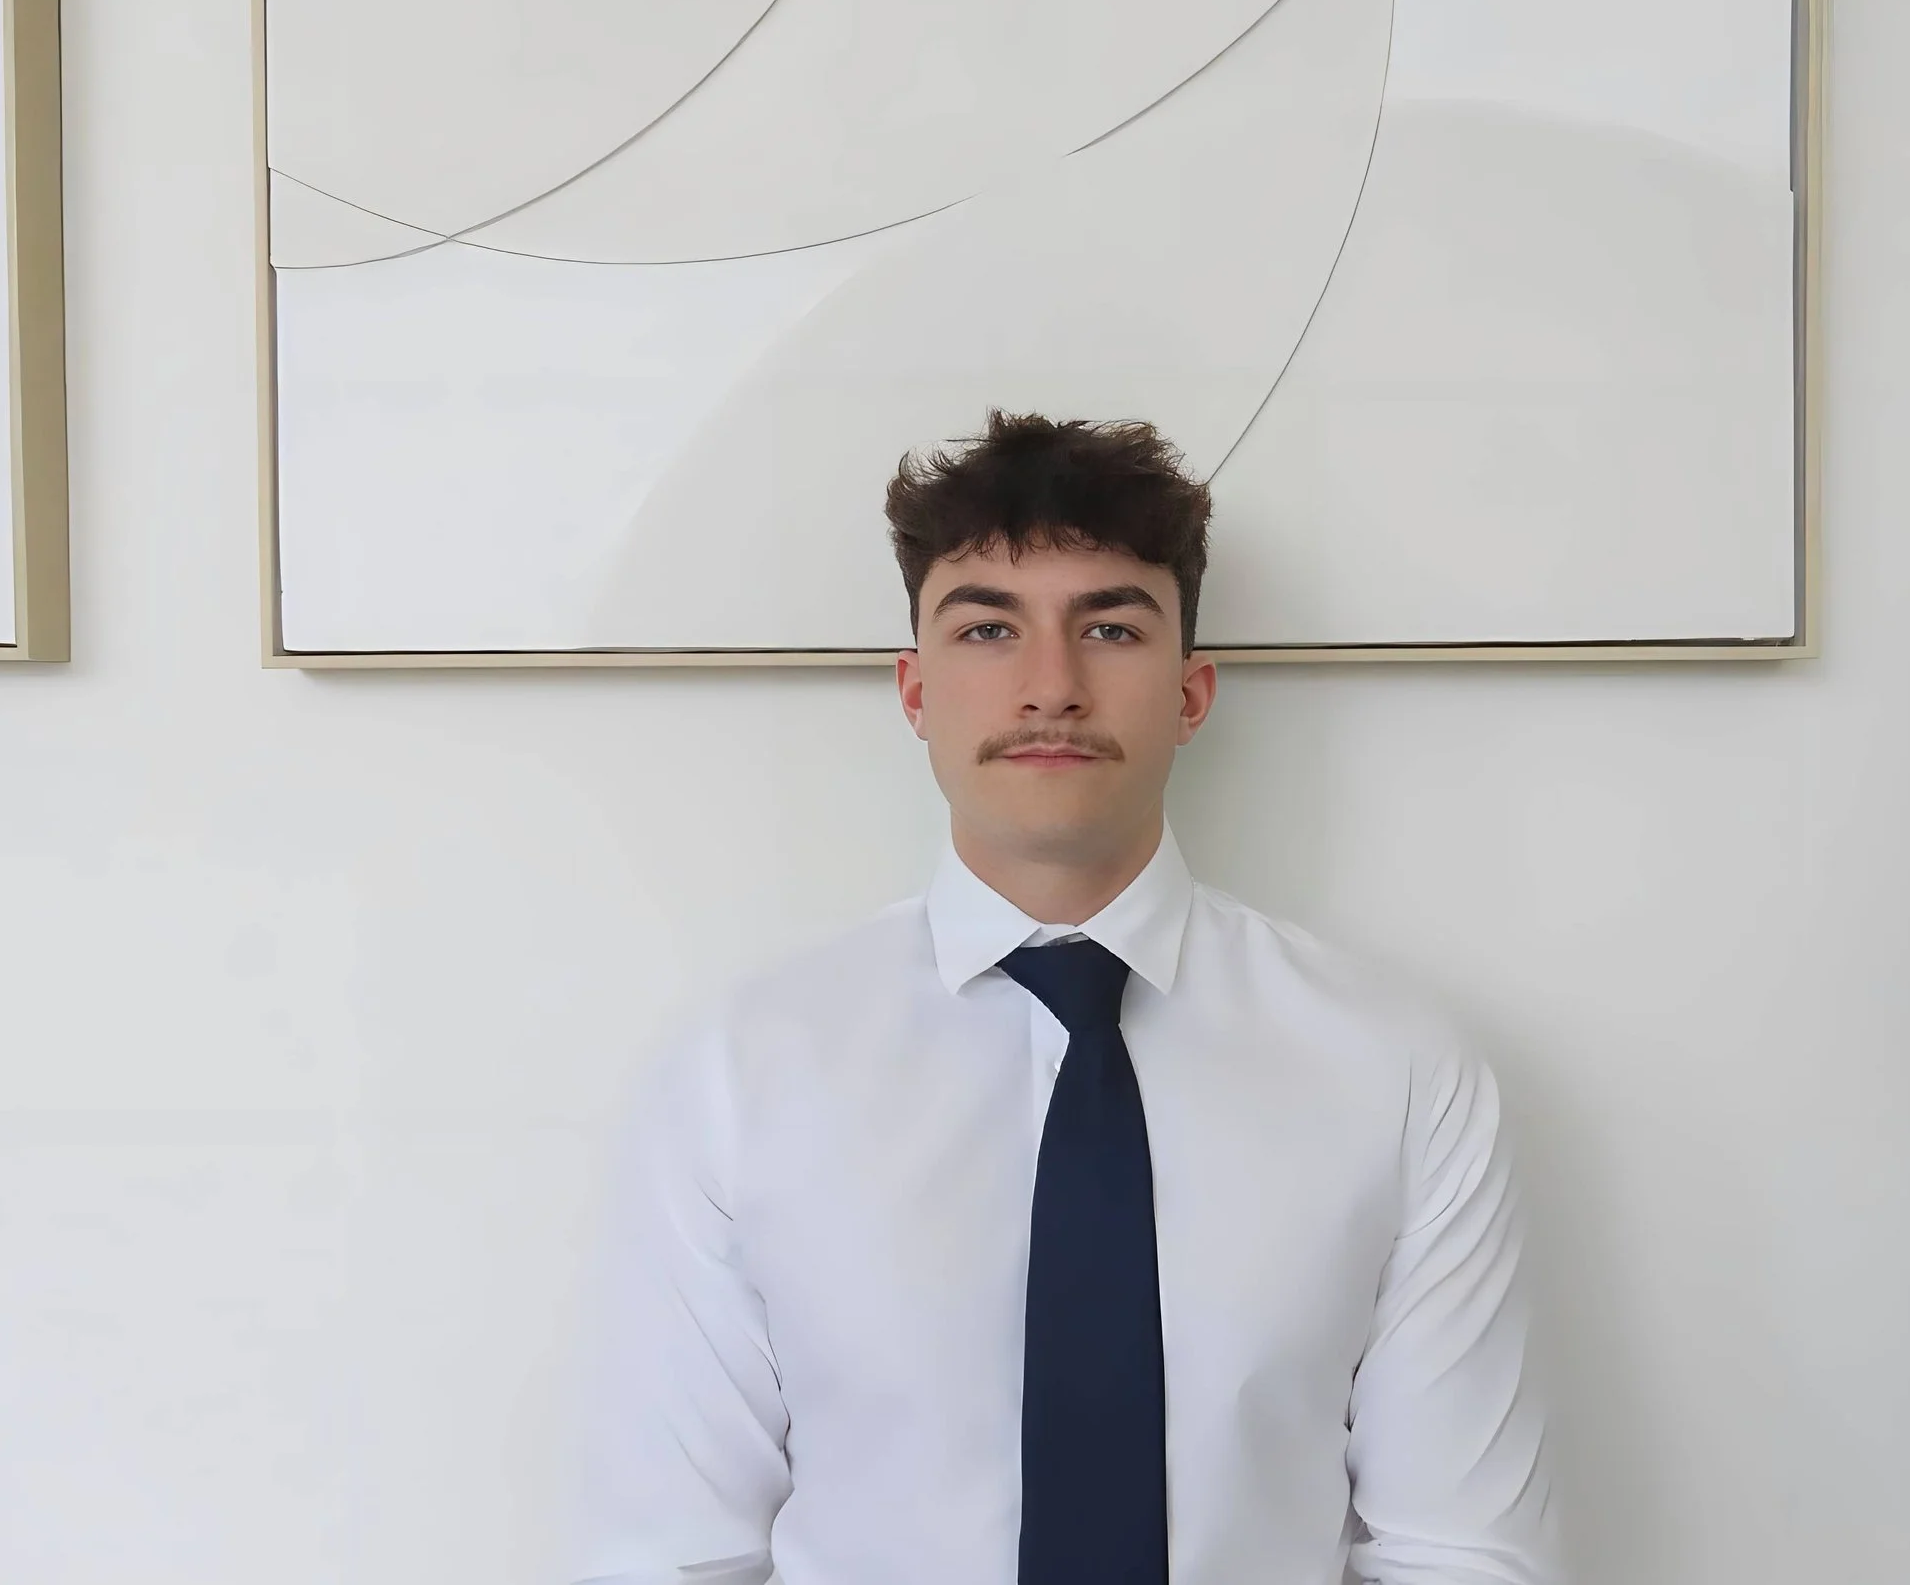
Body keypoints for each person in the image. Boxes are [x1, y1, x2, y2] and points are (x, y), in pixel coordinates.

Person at [571, 411, 1558, 1585]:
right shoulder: (743, 1073)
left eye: (1109, 625)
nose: (1051, 686)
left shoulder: (1394, 1069)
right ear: (913, 690)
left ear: (1191, 694)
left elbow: (1461, 1554)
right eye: (987, 627)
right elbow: (670, 1554)